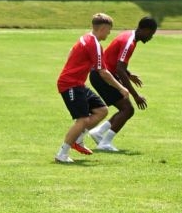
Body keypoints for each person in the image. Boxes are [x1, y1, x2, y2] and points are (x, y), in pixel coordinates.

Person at [53, 14, 127, 163]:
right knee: (82, 120)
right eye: (109, 30)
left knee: (101, 110)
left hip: (78, 83)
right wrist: (121, 88)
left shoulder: (85, 38)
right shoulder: (94, 44)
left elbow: (71, 51)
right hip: (70, 84)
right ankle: (62, 154)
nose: (109, 33)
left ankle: (78, 139)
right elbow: (103, 72)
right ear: (103, 28)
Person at [87, 16, 157, 151]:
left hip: (102, 74)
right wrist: (136, 95)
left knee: (125, 109)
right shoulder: (129, 42)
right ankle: (105, 143)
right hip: (102, 75)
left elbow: (116, 62)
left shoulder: (129, 36)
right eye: (151, 33)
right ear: (145, 30)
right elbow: (120, 68)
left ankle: (98, 133)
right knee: (127, 109)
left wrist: (129, 74)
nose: (151, 37)